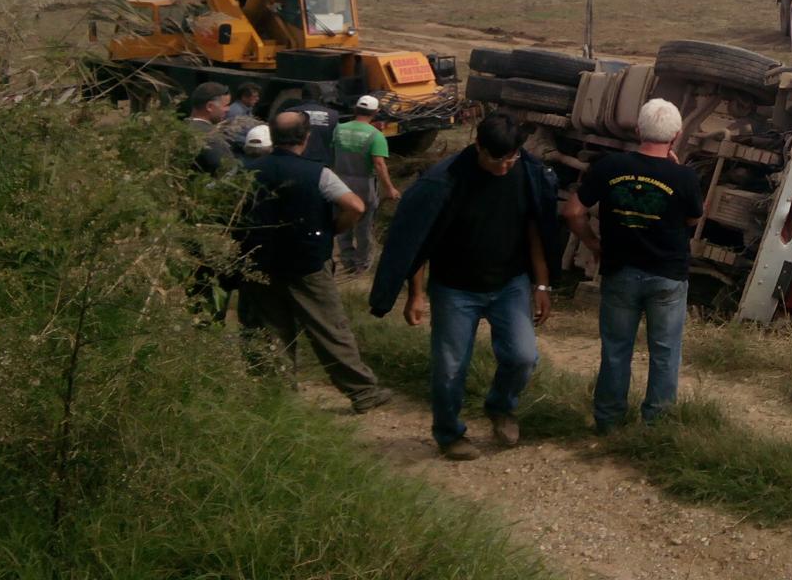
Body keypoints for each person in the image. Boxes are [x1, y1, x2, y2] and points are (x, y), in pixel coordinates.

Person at [370, 113, 562, 461]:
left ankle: (500, 407)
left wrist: (543, 285)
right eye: (497, 160)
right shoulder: (444, 181)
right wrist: (416, 294)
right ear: (478, 147)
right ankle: (449, 433)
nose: (505, 167)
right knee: (449, 369)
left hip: (510, 284)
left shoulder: (528, 173)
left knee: (523, 357)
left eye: (511, 158)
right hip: (454, 289)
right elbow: (419, 241)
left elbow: (536, 230)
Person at [235, 110, 392, 413]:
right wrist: (334, 229)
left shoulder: (247, 172)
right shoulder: (317, 173)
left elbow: (218, 201)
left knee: (270, 331)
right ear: (306, 138)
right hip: (307, 262)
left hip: (259, 262)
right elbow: (355, 206)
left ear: (273, 136)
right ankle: (362, 392)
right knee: (330, 329)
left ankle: (276, 399)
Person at [564, 98, 702, 433]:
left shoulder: (610, 166)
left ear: (638, 130)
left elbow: (573, 212)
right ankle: (656, 426)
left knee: (616, 349)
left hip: (620, 272)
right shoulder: (684, 177)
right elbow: (692, 218)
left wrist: (594, 244)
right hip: (667, 277)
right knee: (665, 353)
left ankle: (608, 421)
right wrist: (674, 171)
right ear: (676, 135)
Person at [334, 95, 402, 275]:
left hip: (340, 182)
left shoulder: (338, 129)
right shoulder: (375, 135)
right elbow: (379, 164)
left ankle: (347, 260)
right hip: (363, 183)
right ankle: (362, 264)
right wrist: (389, 188)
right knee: (364, 225)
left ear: (355, 109)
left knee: (343, 220)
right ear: (376, 112)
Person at [186, 81, 231, 173]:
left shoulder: (181, 127)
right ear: (209, 106)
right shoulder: (210, 137)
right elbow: (227, 169)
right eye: (225, 105)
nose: (228, 109)